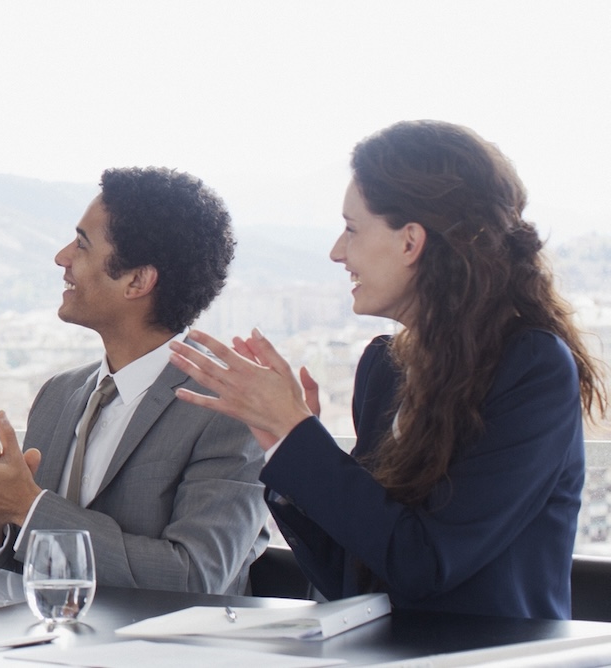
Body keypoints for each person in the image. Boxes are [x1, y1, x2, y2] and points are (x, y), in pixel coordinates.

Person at [170, 120, 604, 619]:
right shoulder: (384, 367)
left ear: (410, 241)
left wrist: (298, 435)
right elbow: (349, 577)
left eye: (352, 229)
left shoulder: (531, 368)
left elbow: (425, 563)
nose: (337, 251)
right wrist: (282, 441)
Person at [0, 167, 268, 595]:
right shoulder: (58, 395)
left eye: (82, 244)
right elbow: (14, 578)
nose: (62, 257)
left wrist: (26, 507)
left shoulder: (228, 410)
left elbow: (194, 577)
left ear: (137, 280)